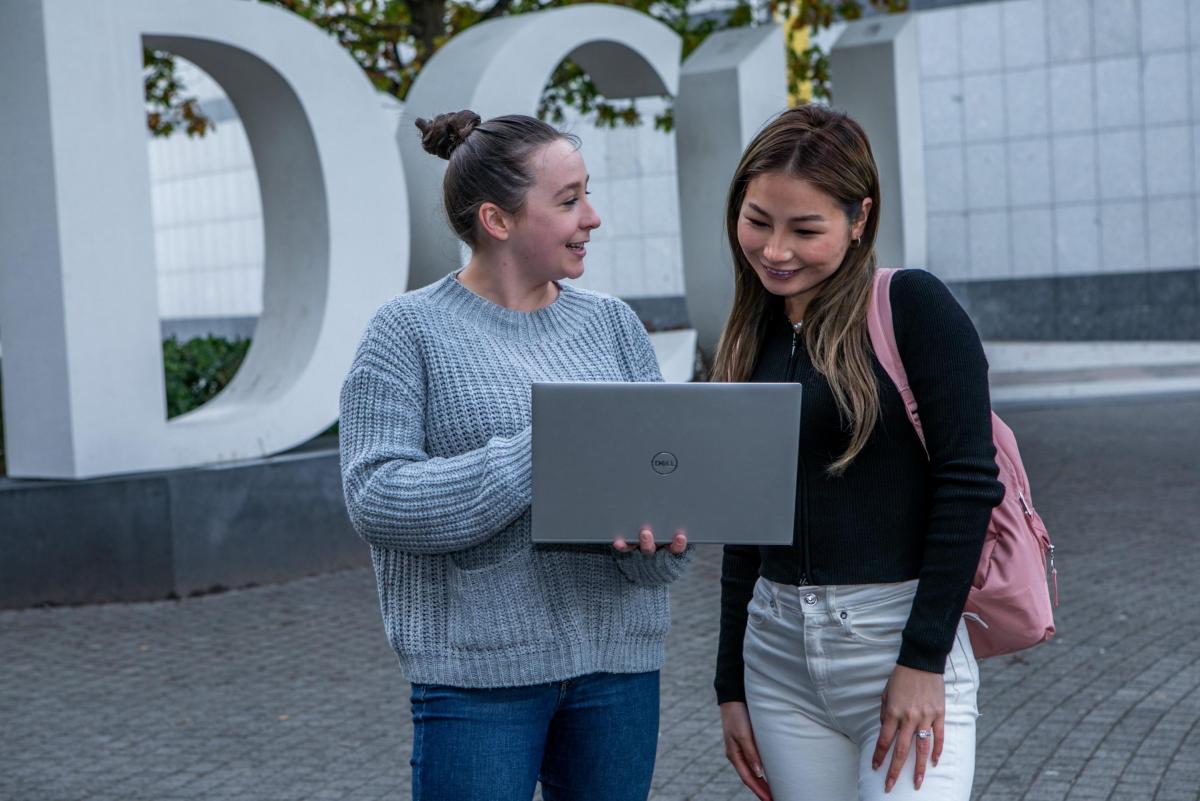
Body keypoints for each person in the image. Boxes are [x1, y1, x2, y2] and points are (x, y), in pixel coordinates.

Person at [338, 109, 691, 801]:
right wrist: (544, 448)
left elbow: (659, 478)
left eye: (586, 193)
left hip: (619, 670)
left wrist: (662, 542)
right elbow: (376, 497)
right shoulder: (406, 331)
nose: (592, 216)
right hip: (476, 681)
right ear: (498, 221)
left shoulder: (614, 325)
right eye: (568, 201)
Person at [712, 105, 1005, 801]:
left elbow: (968, 484)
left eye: (805, 228)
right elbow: (744, 524)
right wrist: (731, 684)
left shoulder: (912, 305)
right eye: (757, 221)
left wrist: (923, 658)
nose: (775, 250)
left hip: (894, 642)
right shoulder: (749, 336)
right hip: (776, 656)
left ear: (860, 218)